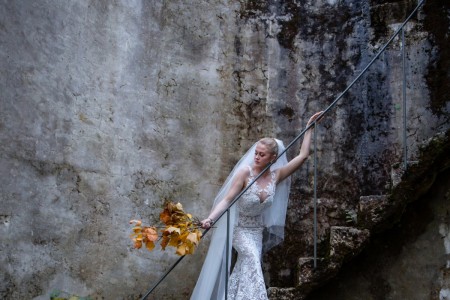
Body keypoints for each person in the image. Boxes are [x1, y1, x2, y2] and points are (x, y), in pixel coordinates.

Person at [191, 112, 323, 300]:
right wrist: (210, 219)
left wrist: (309, 128)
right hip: (238, 228)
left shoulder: (275, 176)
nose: (257, 157)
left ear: (273, 157)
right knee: (252, 260)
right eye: (256, 153)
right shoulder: (245, 173)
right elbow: (227, 200)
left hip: (256, 231)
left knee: (245, 266)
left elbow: (302, 157)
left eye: (262, 154)